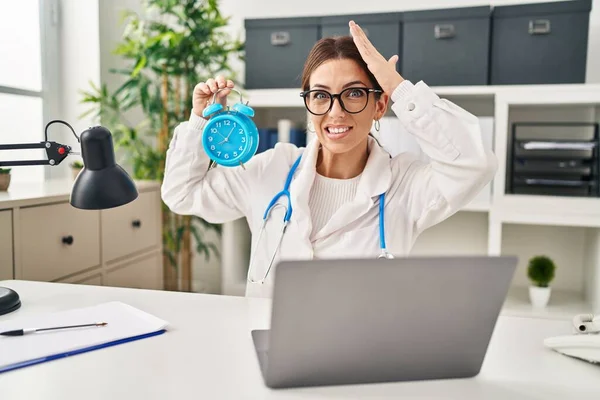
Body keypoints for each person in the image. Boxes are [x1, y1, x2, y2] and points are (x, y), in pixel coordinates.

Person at [161, 21, 498, 298]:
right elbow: (181, 194)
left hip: (361, 358)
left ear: (380, 105)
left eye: (354, 93)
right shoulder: (271, 168)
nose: (335, 112)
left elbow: (473, 164)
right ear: (309, 104)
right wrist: (200, 121)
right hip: (271, 350)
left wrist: (398, 87)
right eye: (321, 95)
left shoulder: (406, 184)